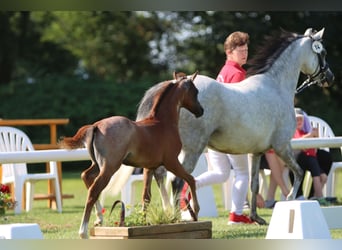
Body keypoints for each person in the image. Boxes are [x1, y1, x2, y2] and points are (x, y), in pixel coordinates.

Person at [180, 31, 264, 224]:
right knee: (242, 173)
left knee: (221, 173)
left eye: (246, 49)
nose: (245, 53)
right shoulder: (238, 74)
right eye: (240, 50)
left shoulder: (224, 71)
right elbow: (240, 107)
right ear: (229, 52)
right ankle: (236, 215)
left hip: (214, 132)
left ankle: (190, 186)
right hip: (232, 132)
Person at [289, 107, 333, 205]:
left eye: (301, 119)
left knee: (323, 177)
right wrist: (310, 135)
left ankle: (314, 196)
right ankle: (320, 197)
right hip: (300, 160)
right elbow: (299, 143)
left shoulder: (305, 132)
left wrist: (315, 136)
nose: (299, 121)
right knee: (316, 175)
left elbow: (315, 148)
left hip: (311, 158)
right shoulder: (294, 132)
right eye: (296, 119)